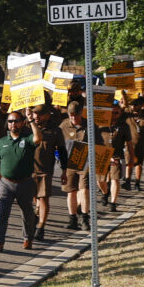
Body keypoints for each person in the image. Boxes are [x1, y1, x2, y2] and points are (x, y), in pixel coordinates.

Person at [0, 111, 38, 250]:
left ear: (22, 122)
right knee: (2, 213)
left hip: (25, 182)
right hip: (5, 183)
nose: (13, 124)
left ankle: (28, 238)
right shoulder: (1, 141)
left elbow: (37, 139)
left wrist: (32, 121)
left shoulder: (28, 138)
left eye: (16, 121)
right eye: (10, 121)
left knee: (27, 213)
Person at [29, 105, 65, 234]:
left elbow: (62, 151)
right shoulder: (28, 127)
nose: (36, 116)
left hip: (45, 171)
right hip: (28, 170)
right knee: (33, 197)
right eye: (34, 114)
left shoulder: (55, 131)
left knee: (44, 198)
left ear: (48, 115)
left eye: (40, 114)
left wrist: (64, 170)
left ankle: (41, 227)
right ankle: (36, 214)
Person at [60, 98, 91, 231]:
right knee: (71, 191)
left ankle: (85, 218)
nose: (73, 118)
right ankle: (72, 219)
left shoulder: (89, 125)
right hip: (69, 162)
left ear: (81, 113)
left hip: (85, 161)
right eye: (70, 115)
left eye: (75, 115)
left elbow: (100, 143)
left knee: (84, 190)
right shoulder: (64, 126)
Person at [125, 96, 144, 189]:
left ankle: (137, 183)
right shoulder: (128, 114)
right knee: (129, 163)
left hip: (142, 143)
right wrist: (124, 94)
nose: (133, 107)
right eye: (132, 105)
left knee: (139, 164)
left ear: (141, 105)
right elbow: (124, 104)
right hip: (129, 143)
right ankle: (127, 182)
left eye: (135, 105)